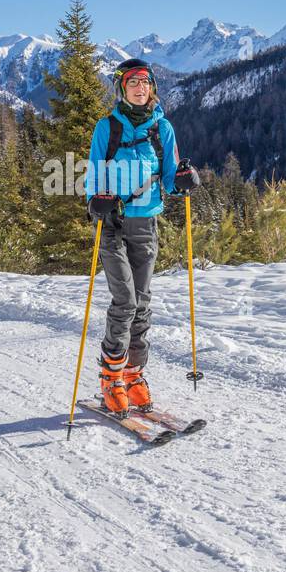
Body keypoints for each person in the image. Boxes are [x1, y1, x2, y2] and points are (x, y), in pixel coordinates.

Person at [86, 57, 200, 414]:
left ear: (152, 87)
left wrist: (183, 181)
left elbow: (170, 179)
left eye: (145, 82)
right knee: (125, 302)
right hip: (113, 226)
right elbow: (93, 174)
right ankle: (111, 378)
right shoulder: (107, 127)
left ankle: (134, 375)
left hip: (146, 225)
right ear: (121, 87)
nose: (140, 88)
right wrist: (96, 201)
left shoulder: (162, 129)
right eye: (133, 82)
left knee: (143, 305)